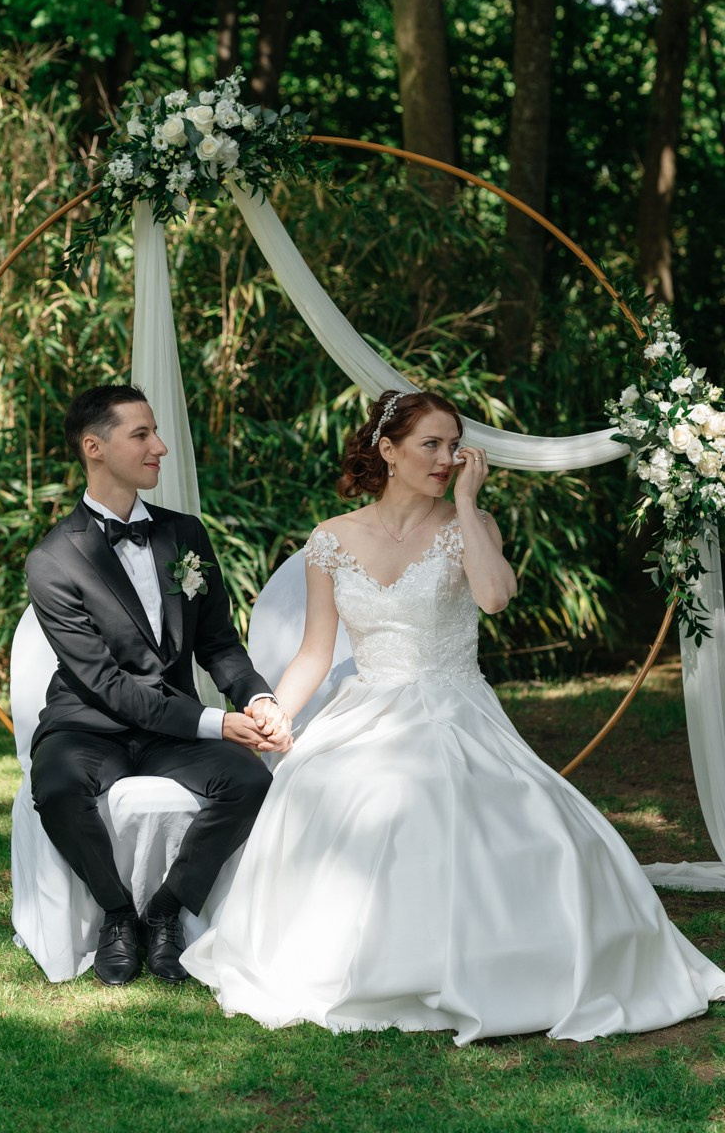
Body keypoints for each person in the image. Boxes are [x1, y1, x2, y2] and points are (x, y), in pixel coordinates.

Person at [181, 389, 725, 1043]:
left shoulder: (472, 524)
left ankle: (503, 968)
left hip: (456, 705)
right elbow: (316, 653)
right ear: (388, 450)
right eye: (429, 445)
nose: (446, 457)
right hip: (368, 708)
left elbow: (494, 599)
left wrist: (466, 505)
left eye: (452, 443)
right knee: (324, 788)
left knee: (471, 809)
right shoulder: (330, 540)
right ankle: (357, 964)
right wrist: (272, 716)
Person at [25, 384, 291, 987]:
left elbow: (218, 642)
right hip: (89, 724)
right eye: (141, 435)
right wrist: (217, 723)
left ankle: (167, 912)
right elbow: (105, 683)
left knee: (249, 779)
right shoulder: (52, 560)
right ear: (95, 447)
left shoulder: (185, 535)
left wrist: (256, 697)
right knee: (60, 785)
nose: (161, 447)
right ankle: (117, 915)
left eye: (156, 432)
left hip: (171, 727)